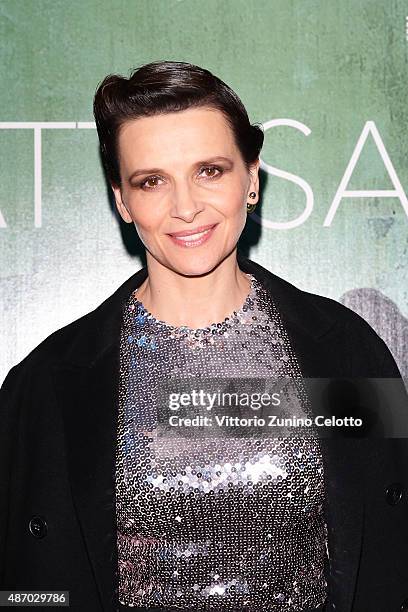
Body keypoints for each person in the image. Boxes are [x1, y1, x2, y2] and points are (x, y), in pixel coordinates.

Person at [1, 60, 408, 612]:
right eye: (152, 181)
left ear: (252, 179)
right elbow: (28, 589)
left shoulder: (347, 352)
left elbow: (390, 552)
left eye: (210, 171)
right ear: (122, 200)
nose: (186, 206)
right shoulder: (46, 385)